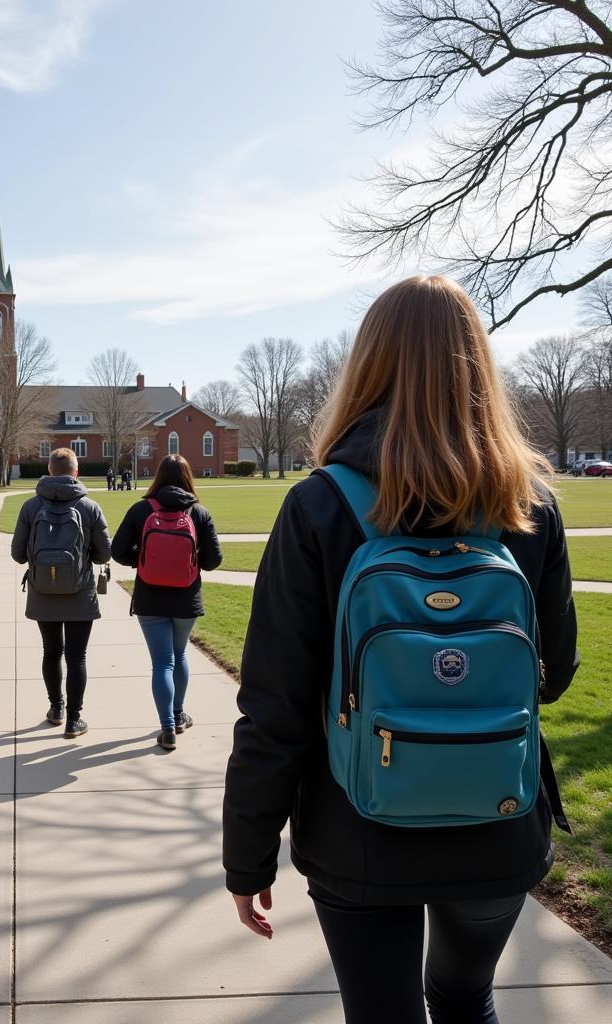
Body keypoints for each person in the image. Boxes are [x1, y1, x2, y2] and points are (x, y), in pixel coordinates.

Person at [222, 276, 579, 1024]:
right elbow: (554, 676)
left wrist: (247, 854)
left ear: (368, 365)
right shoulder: (531, 503)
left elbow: (275, 707)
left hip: (358, 828)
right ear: (477, 365)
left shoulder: (320, 505)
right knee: (464, 998)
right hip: (497, 820)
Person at [111, 454, 222, 750]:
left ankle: (168, 727)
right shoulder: (199, 512)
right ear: (189, 477)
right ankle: (178, 713)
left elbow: (117, 550)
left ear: (158, 476)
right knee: (179, 655)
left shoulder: (140, 509)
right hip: (187, 598)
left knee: (162, 661)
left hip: (150, 597)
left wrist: (145, 560)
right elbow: (214, 561)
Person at [11, 446, 111, 738]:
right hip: (80, 591)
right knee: (76, 657)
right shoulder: (89, 507)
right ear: (76, 473)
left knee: (51, 652)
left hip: (43, 591)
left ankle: (56, 709)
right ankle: (74, 720)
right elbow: (105, 554)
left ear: (49, 472)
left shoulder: (31, 506)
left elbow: (18, 554)